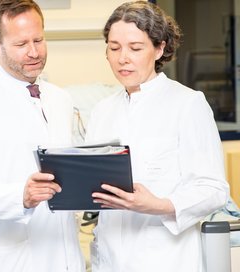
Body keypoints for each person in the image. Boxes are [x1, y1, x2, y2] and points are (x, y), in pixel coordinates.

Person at [85, 1, 230, 271]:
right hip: (109, 258)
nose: (122, 58)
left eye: (135, 48)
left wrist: (158, 205)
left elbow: (214, 189)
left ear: (160, 48)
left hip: (165, 258)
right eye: (114, 48)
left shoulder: (187, 104)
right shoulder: (101, 111)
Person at [0, 0, 85, 271]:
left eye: (39, 40)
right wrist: (22, 195)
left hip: (63, 253)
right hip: (10, 260)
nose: (34, 52)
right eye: (21, 44)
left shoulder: (61, 99)